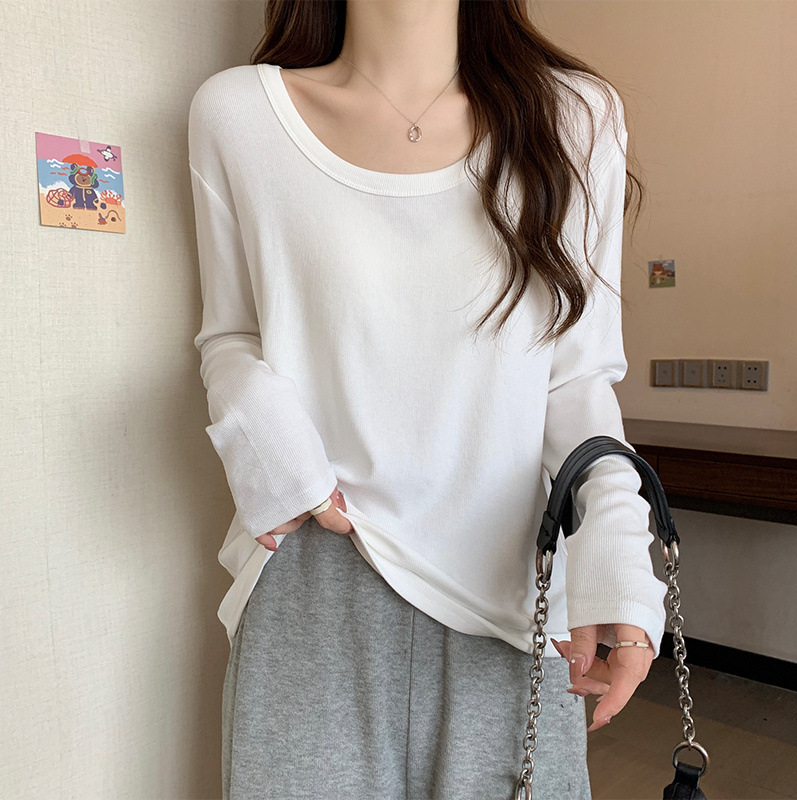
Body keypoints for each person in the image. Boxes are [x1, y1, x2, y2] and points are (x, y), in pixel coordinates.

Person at [187, 1, 668, 797]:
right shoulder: (238, 113)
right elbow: (230, 333)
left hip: (513, 591)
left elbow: (578, 376)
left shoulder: (577, 118)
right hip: (314, 575)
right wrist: (263, 431)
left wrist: (616, 539)